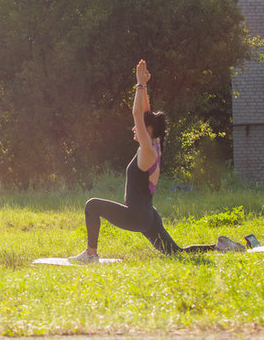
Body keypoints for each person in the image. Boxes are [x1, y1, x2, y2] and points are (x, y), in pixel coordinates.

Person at [69, 60, 245, 263]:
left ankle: (91, 254)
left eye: (140, 127)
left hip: (136, 216)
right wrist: (144, 86)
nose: (135, 128)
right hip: (149, 216)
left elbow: (138, 114)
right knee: (176, 253)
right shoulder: (156, 145)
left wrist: (140, 84)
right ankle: (219, 247)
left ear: (148, 129)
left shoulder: (147, 149)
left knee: (92, 205)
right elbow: (144, 114)